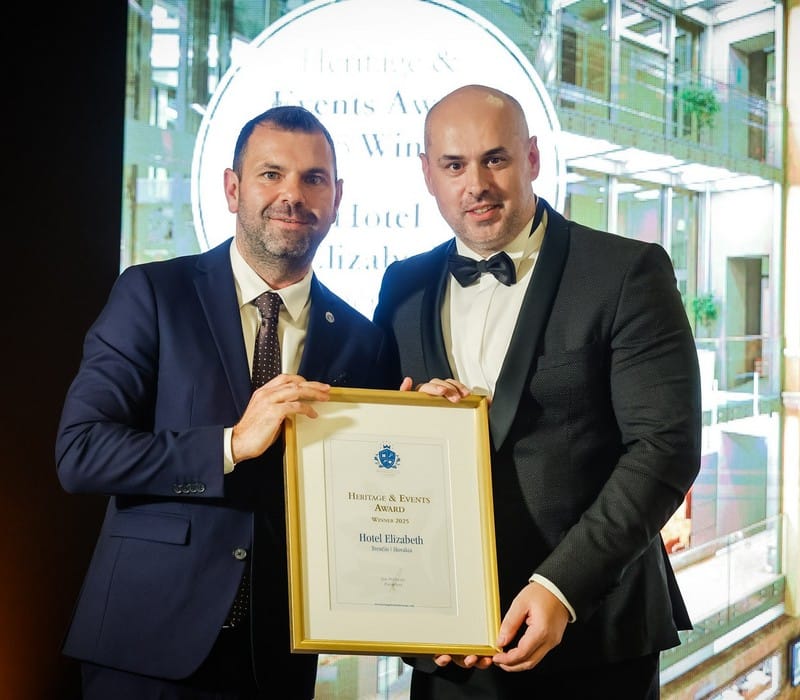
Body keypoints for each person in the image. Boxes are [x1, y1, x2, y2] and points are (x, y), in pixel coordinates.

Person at [56, 105, 399, 699]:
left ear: (337, 197)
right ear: (232, 187)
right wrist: (230, 445)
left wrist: (427, 423)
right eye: (271, 174)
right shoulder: (153, 293)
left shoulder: (360, 338)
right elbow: (81, 453)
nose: (292, 194)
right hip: (145, 646)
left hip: (276, 658)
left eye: (313, 178)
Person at [374, 84, 702, 699]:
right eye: (453, 164)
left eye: (495, 158)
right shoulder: (402, 284)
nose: (477, 184)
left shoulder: (627, 271)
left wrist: (561, 588)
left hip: (593, 636)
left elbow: (666, 447)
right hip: (446, 649)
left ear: (532, 158)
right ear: (427, 174)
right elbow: (381, 446)